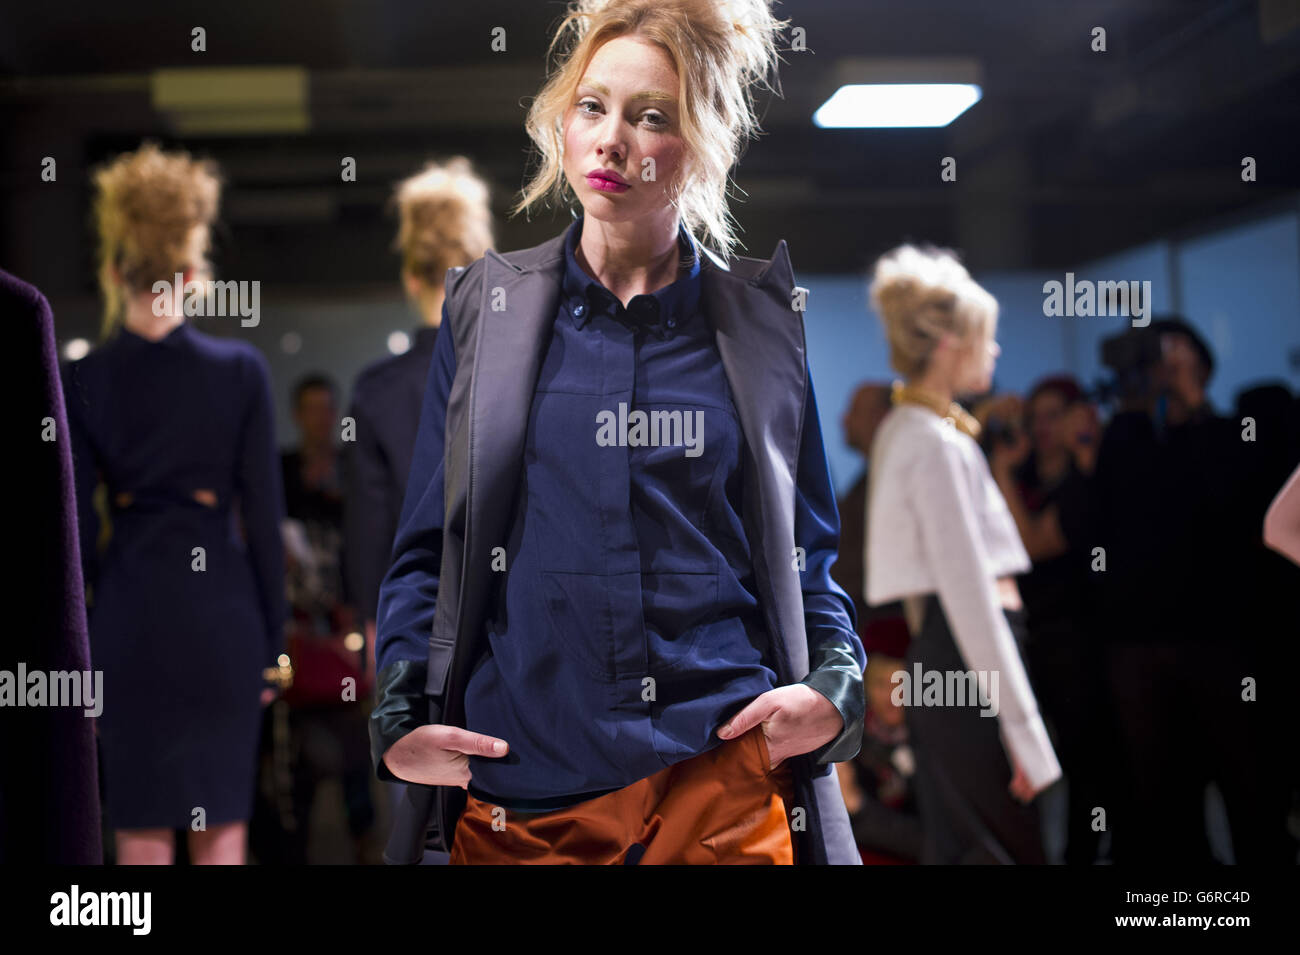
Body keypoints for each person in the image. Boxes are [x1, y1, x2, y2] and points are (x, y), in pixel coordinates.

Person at [370, 0, 865, 865]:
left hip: (724, 776)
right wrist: (398, 717)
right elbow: (428, 551)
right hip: (526, 789)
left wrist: (835, 691)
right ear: (562, 122)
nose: (610, 140)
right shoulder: (485, 312)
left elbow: (807, 556)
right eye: (592, 107)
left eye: (650, 117)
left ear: (701, 141)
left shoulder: (758, 325)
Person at [61, 142, 286, 864]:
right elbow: (265, 520)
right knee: (223, 834)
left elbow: (69, 539)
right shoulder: (241, 372)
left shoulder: (84, 378)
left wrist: (81, 641)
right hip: (222, 621)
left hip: (129, 620)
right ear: (193, 275)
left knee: (139, 837)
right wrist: (272, 643)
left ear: (112, 269)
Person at [865, 243, 1062, 864]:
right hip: (966, 659)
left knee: (967, 849)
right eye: (987, 337)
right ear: (950, 342)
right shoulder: (933, 442)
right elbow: (971, 595)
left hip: (953, 660)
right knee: (1003, 850)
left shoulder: (920, 430)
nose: (996, 350)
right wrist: (1027, 736)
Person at [342, 156, 494, 862]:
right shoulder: (515, 371)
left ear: (410, 274)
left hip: (414, 623)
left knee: (420, 805)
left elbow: (373, 534)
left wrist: (381, 638)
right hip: (504, 620)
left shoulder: (376, 392)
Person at [986, 376, 1112, 864]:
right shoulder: (1025, 479)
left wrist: (1000, 468)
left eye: (1053, 415)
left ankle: (1081, 855)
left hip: (1080, 642)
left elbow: (1030, 546)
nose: (1040, 427)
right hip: (1025, 639)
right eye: (1033, 416)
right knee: (1023, 759)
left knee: (1083, 764)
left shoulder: (1085, 478)